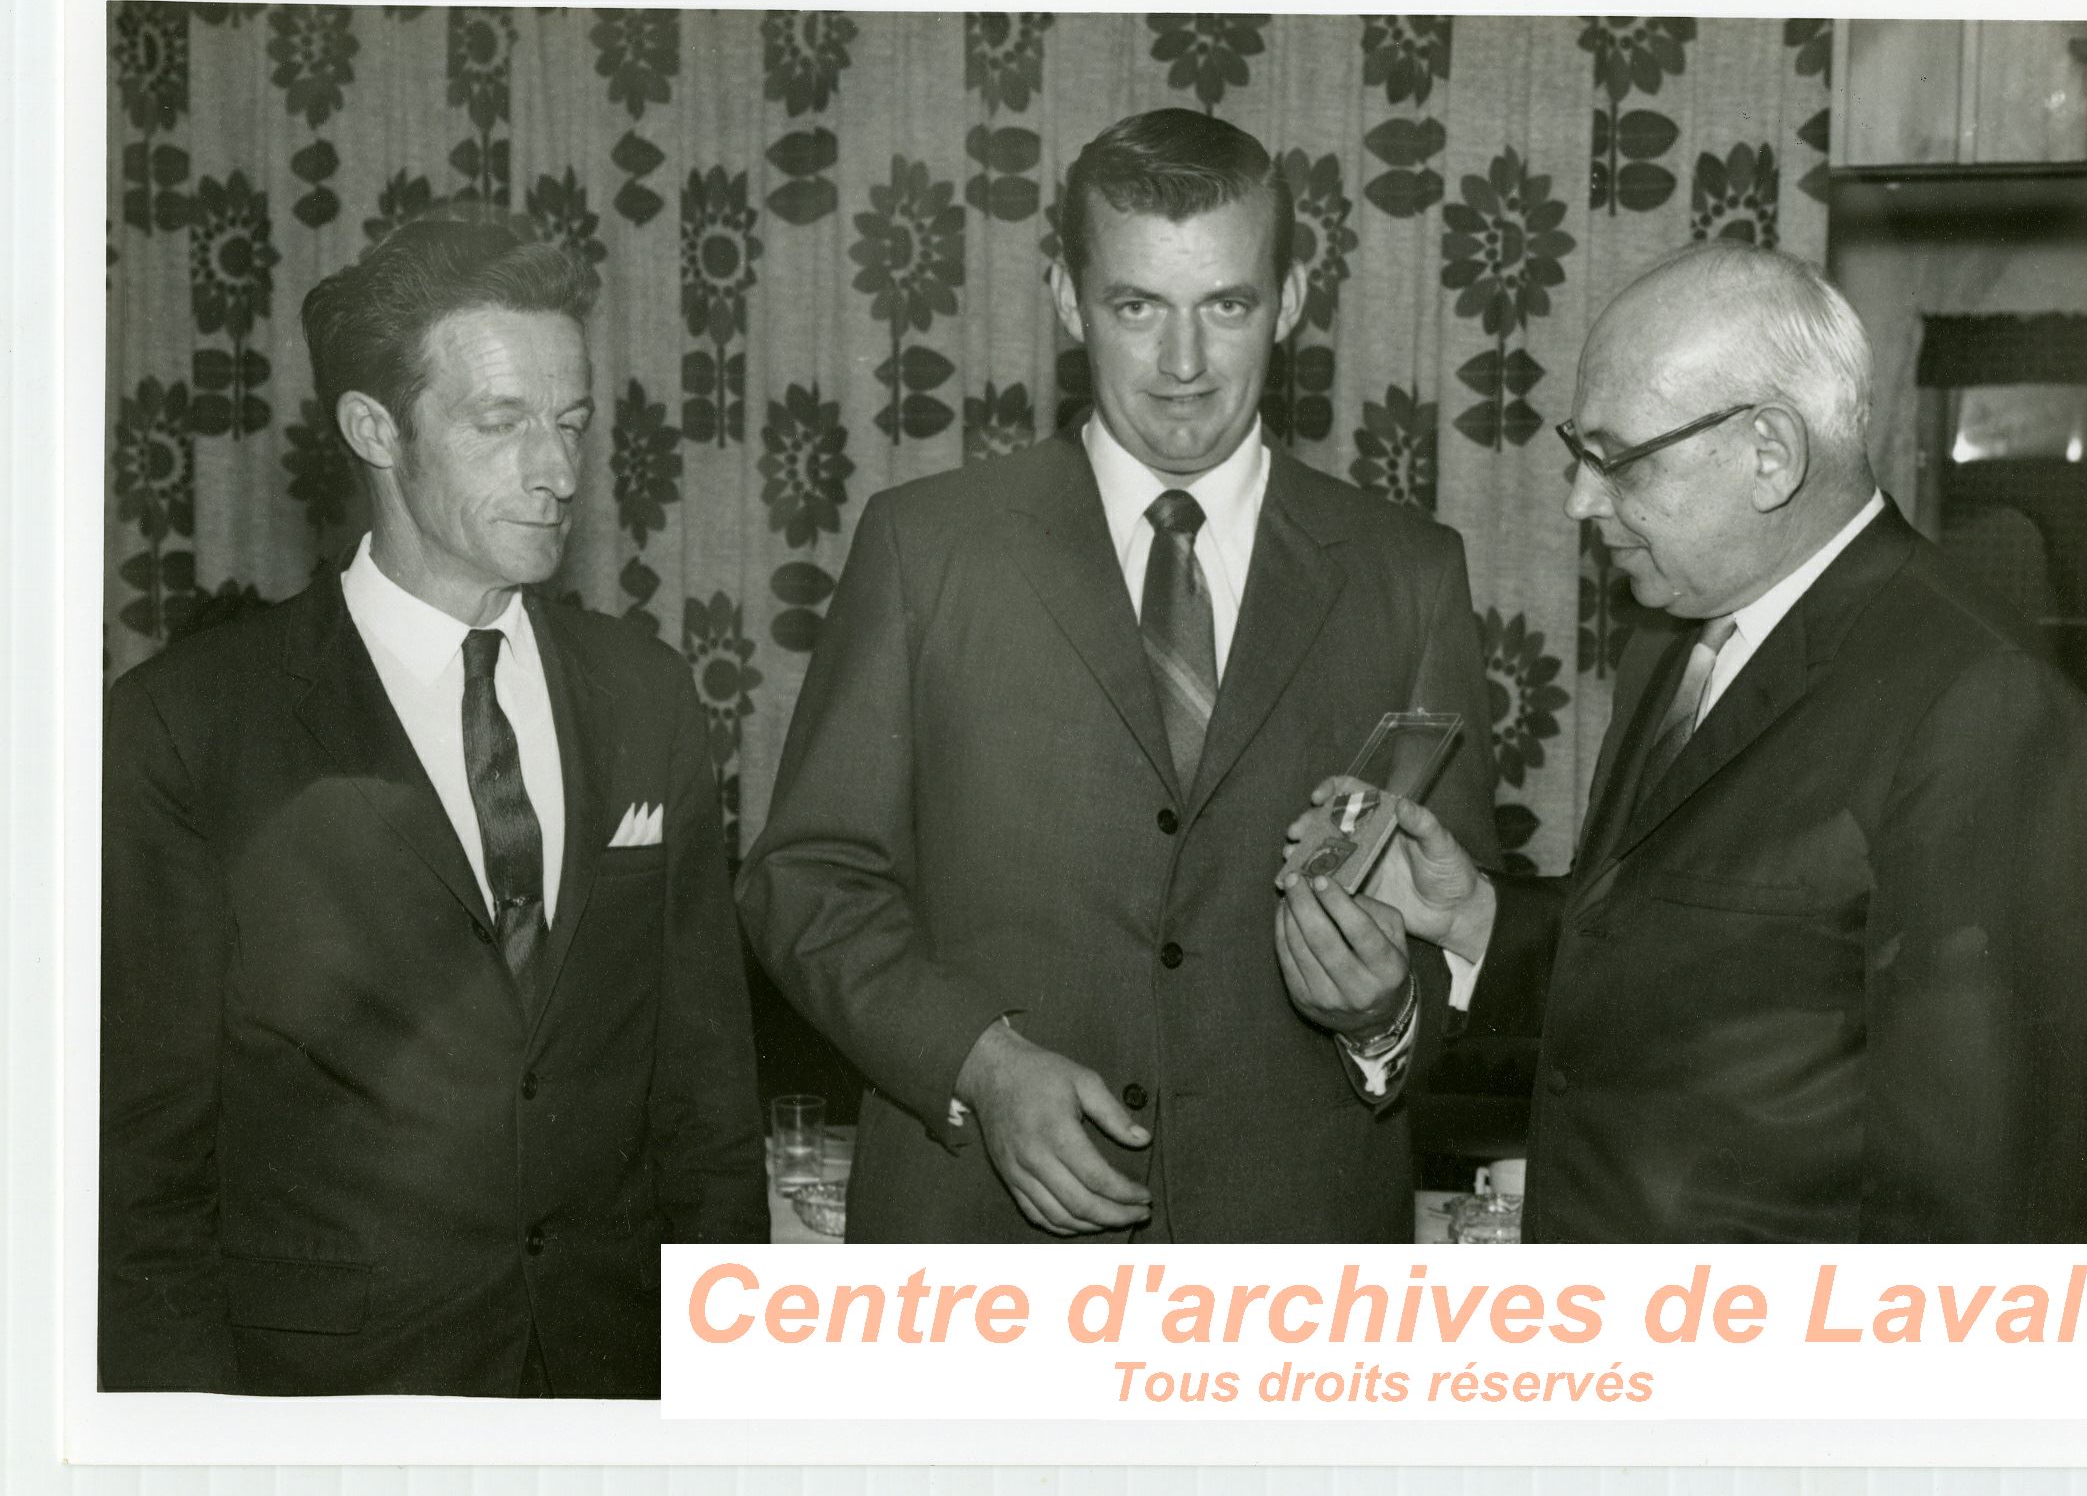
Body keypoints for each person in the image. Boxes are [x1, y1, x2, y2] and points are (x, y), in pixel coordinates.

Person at [738, 108, 1501, 1243]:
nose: (1183, 364)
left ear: (1288, 300)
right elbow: (806, 880)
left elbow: (1450, 926)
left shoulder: (1409, 574)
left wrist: (1385, 1013)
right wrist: (979, 1062)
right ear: (1065, 299)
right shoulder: (925, 547)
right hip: (980, 1250)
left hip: (1289, 1269)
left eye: (1226, 305)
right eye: (1136, 306)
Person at [1284, 241, 2087, 1242]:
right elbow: (1696, 971)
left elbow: (1983, 1202)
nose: (1582, 500)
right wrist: (1477, 918)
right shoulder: (1678, 642)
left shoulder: (1979, 705)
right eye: (1577, 453)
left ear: (1770, 453)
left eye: (1618, 458)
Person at [100, 219, 768, 1397]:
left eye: (571, 424)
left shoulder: (645, 693)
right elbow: (139, 1178)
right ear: (375, 431)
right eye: (501, 424)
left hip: (614, 1386)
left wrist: (726, 1399)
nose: (557, 471)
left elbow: (705, 1107)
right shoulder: (187, 727)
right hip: (334, 1407)